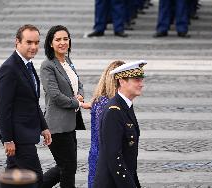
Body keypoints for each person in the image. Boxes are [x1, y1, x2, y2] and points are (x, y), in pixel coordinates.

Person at [0, 24, 51, 188]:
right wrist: (8, 139)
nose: (33, 47)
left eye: (36, 42)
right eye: (29, 42)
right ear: (17, 42)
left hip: (26, 133)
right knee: (36, 179)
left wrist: (44, 127)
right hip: (18, 137)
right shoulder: (9, 68)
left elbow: (32, 101)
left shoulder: (28, 64)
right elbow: (3, 108)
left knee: (12, 179)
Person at [40, 25, 90, 188]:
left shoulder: (67, 60)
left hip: (69, 123)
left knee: (66, 166)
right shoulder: (48, 65)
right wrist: (77, 102)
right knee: (67, 167)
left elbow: (78, 83)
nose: (63, 42)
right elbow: (55, 95)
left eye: (65, 39)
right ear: (50, 43)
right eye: (58, 39)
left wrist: (80, 94)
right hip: (57, 125)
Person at [94, 60, 147, 188]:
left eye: (141, 80)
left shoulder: (126, 105)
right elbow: (114, 156)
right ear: (122, 81)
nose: (141, 84)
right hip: (112, 182)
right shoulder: (114, 111)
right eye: (136, 80)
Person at [88, 60, 125, 188]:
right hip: (103, 159)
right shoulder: (106, 103)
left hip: (98, 155)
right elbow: (103, 137)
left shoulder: (102, 100)